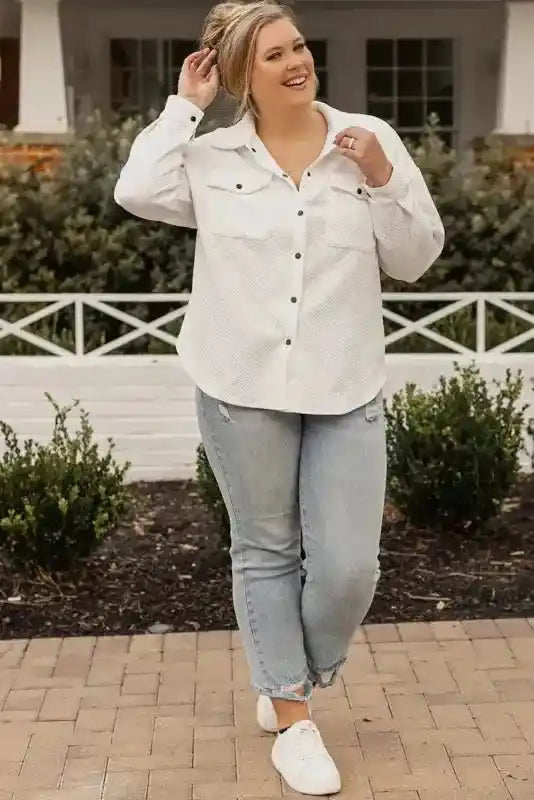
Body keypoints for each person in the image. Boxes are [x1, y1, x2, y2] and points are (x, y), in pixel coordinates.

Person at [114, 0, 444, 794]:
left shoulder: (368, 141)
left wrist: (384, 179)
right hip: (241, 382)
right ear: (241, 77)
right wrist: (184, 108)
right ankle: (292, 718)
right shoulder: (211, 157)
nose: (297, 61)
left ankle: (289, 670)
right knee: (265, 550)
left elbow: (416, 258)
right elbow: (135, 188)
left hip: (346, 382)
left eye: (298, 44)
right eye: (272, 56)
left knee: (348, 569)